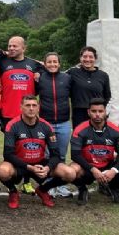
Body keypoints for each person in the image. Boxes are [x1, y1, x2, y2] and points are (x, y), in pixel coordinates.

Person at [0, 95, 75, 209]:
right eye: (28, 105)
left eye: (34, 105)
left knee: (70, 173)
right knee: (3, 171)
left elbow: (56, 155)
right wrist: (29, 167)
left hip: (39, 164)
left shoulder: (46, 126)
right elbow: (8, 154)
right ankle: (13, 192)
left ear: (38, 108)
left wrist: (47, 168)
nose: (31, 108)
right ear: (21, 107)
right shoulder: (12, 125)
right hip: (19, 165)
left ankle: (43, 190)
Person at [70, 98, 119, 205]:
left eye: (100, 111)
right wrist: (92, 169)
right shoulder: (79, 129)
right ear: (88, 112)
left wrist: (114, 170)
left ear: (105, 112)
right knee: (71, 170)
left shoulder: (116, 131)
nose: (97, 114)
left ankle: (114, 187)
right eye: (94, 111)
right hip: (88, 167)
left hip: (108, 167)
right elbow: (75, 155)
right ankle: (82, 189)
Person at [35, 52, 73, 197]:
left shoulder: (67, 78)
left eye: (55, 62)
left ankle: (60, 185)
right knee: (47, 155)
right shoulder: (40, 78)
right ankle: (49, 184)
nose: (52, 64)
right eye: (49, 62)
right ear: (44, 64)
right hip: (46, 123)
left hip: (64, 123)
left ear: (59, 63)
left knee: (61, 155)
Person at [0, 36, 44, 130]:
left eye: (15, 46)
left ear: (24, 48)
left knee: (26, 142)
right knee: (10, 143)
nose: (11, 48)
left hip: (29, 112)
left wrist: (40, 73)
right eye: (9, 46)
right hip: (8, 112)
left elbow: (50, 74)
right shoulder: (2, 62)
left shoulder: (35, 64)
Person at [68, 46, 111, 128]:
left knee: (98, 138)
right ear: (80, 58)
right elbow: (58, 76)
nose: (87, 59)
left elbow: (107, 96)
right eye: (84, 56)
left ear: (95, 59)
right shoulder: (72, 72)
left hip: (97, 113)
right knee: (80, 138)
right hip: (79, 113)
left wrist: (104, 112)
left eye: (91, 57)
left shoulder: (103, 75)